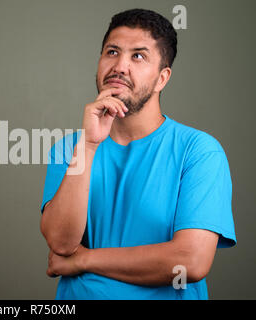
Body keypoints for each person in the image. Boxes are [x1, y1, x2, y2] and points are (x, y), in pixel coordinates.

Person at [39, 8, 236, 300]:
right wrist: (90, 145)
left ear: (162, 78)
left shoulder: (199, 151)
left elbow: (191, 261)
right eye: (112, 52)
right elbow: (61, 243)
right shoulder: (70, 149)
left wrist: (84, 260)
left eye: (138, 56)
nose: (120, 66)